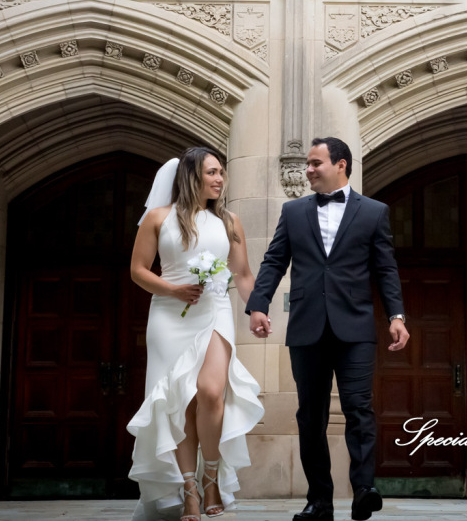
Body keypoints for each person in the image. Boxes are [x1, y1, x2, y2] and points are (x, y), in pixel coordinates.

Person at [246, 137, 409, 521]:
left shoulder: (374, 212)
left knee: (359, 408)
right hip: (307, 328)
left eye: (315, 163)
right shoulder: (293, 211)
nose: (308, 170)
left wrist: (397, 316)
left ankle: (364, 489)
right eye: (307, 163)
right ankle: (319, 500)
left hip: (355, 328)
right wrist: (258, 305)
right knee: (310, 416)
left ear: (341, 165)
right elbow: (274, 261)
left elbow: (386, 269)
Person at [128, 146, 264, 521]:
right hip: (168, 315)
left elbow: (242, 274)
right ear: (191, 176)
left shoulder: (229, 221)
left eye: (221, 172)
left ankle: (211, 476)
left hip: (214, 311)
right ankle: (189, 488)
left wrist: (257, 309)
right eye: (212, 172)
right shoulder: (158, 218)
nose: (220, 179)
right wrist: (174, 290)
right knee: (180, 403)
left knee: (210, 391)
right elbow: (138, 270)